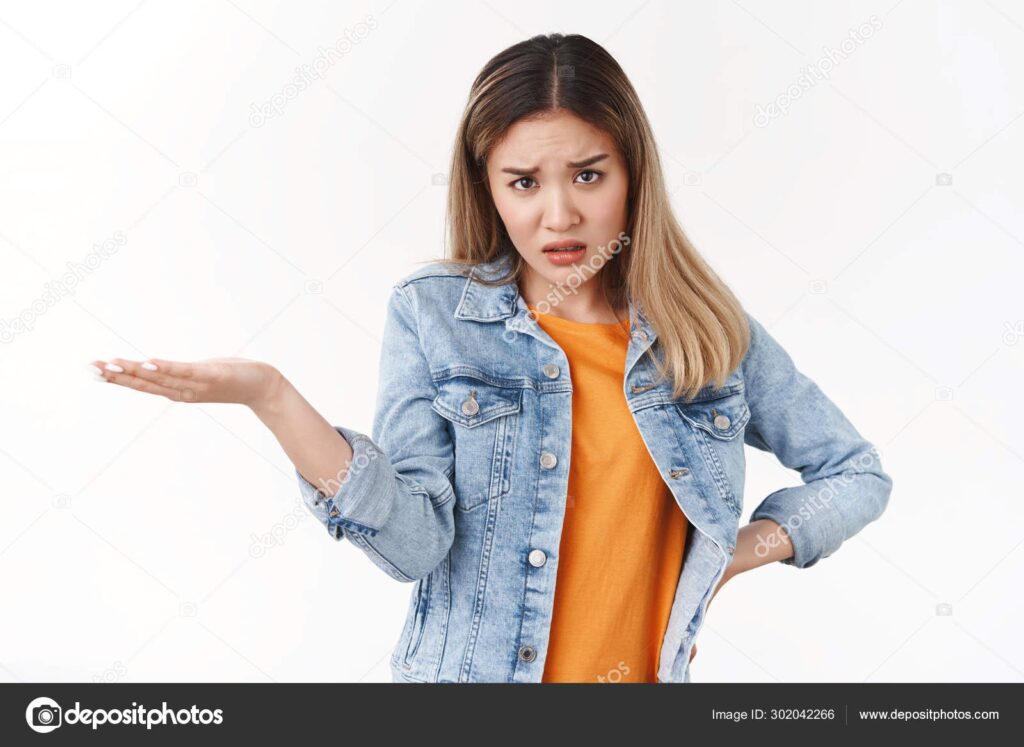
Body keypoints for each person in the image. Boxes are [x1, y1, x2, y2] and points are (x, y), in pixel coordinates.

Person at [88, 33, 892, 683]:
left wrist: (727, 555)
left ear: (632, 173)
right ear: (487, 188)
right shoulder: (435, 316)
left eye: (587, 173)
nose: (560, 213)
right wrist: (271, 398)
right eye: (522, 182)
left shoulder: (708, 334)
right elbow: (411, 546)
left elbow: (855, 472)